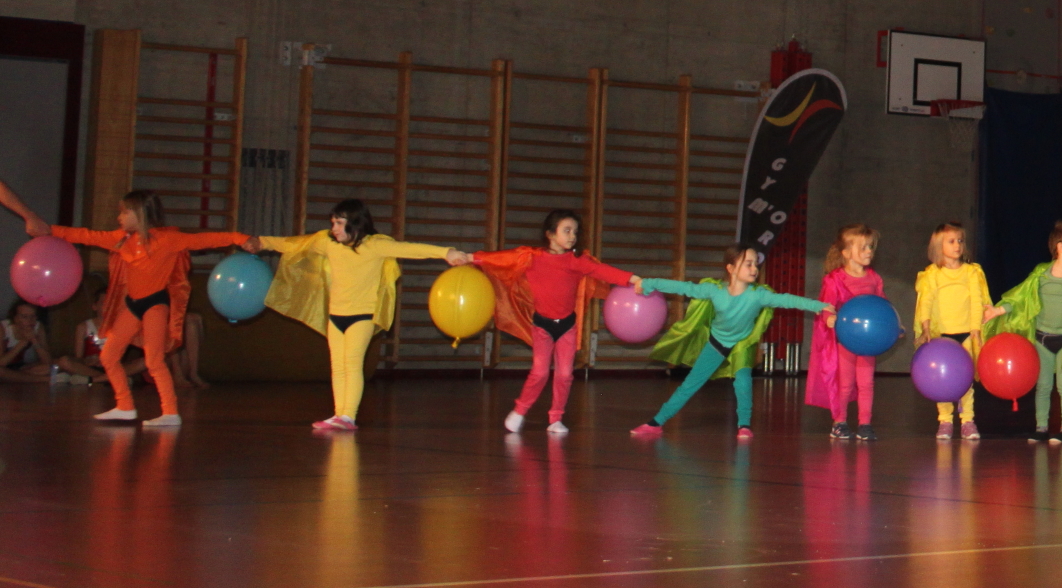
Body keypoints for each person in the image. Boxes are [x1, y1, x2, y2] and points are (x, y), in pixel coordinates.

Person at [23, 191, 248, 427]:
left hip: (155, 305)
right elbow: (87, 236)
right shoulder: (122, 239)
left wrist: (241, 238)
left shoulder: (168, 240)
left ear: (139, 213)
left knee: (154, 360)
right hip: (133, 305)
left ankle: (170, 412)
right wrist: (50, 230)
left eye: (124, 212)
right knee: (109, 356)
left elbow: (208, 239)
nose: (119, 217)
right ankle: (125, 406)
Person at [255, 198, 471, 433]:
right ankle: (339, 414)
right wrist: (262, 242)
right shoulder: (327, 243)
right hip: (336, 316)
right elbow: (296, 244)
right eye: (333, 223)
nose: (334, 228)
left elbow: (410, 248)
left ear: (355, 223)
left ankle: (348, 416)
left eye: (339, 223)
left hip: (362, 316)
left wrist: (446, 252)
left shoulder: (374, 245)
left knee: (352, 363)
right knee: (338, 366)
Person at [472, 208, 638, 437]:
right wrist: (470, 258)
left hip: (567, 327)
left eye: (575, 232)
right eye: (566, 230)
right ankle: (519, 411)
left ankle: (556, 418)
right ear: (550, 234)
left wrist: (633, 279)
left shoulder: (576, 261)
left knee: (565, 375)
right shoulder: (531, 258)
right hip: (542, 326)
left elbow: (603, 271)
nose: (572, 236)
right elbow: (501, 259)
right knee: (540, 372)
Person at [635, 247, 826, 438]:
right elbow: (683, 287)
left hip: (741, 344)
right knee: (690, 384)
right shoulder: (714, 290)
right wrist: (648, 283)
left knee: (743, 382)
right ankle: (656, 423)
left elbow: (787, 300)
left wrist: (819, 306)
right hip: (717, 343)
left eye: (756, 264)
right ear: (731, 268)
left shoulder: (758, 294)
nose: (754, 269)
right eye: (748, 264)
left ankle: (744, 425)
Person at [987, 220, 1062, 443]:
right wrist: (999, 310)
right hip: (1041, 340)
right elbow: (1022, 298)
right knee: (1044, 386)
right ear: (1061, 247)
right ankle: (1041, 428)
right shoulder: (1041, 274)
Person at [915, 222, 1001, 441]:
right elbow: (926, 301)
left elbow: (976, 301)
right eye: (951, 241)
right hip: (942, 337)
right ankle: (945, 421)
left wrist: (975, 329)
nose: (957, 246)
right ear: (938, 246)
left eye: (960, 241)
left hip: (966, 334)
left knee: (966, 380)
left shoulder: (971, 272)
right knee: (942, 379)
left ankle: (967, 420)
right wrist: (926, 326)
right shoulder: (932, 274)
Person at [808, 224, 891, 441]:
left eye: (870, 247)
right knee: (844, 384)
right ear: (845, 253)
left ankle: (865, 424)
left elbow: (883, 307)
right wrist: (829, 318)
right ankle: (839, 422)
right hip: (845, 341)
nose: (869, 251)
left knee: (866, 383)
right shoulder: (835, 279)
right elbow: (826, 305)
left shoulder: (874, 279)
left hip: (868, 342)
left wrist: (893, 327)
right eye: (863, 247)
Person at [1, 299, 93, 385]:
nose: (30, 321)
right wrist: (23, 342)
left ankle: (20, 376)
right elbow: (2, 363)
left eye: (33, 316)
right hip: (4, 367)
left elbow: (47, 361)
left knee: (55, 364)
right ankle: (47, 379)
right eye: (24, 317)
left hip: (21, 367)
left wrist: (34, 341)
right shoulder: (4, 329)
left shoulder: (37, 326)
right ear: (15, 318)